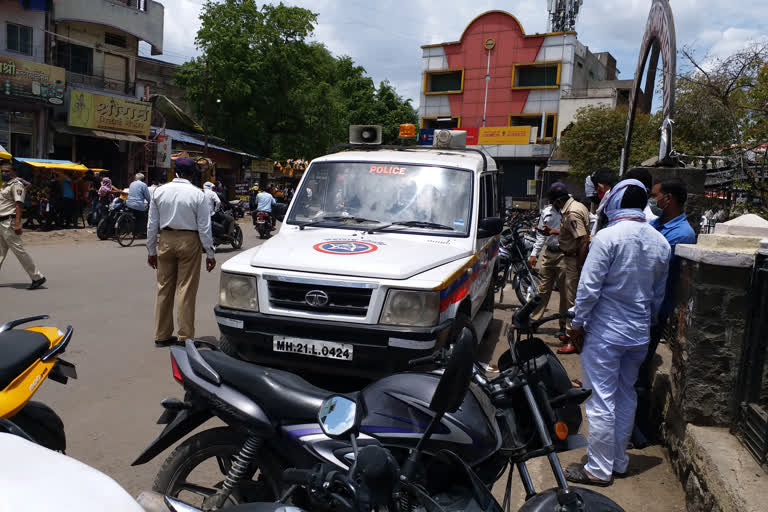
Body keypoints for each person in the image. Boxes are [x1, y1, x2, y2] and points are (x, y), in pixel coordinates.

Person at [564, 180, 670, 487]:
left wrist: (577, 324)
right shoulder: (660, 242)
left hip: (606, 332)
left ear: (617, 202)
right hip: (638, 333)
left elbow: (588, 287)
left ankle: (597, 469)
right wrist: (646, 323)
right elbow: (658, 297)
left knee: (600, 400)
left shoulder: (607, 238)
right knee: (625, 396)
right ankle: (618, 462)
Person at [633, 178, 696, 446]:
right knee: (632, 371)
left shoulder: (682, 233)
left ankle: (639, 433)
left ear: (668, 199)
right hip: (640, 308)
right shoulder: (658, 226)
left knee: (638, 374)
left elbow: (665, 278)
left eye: (655, 196)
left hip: (655, 312)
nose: (653, 200)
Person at [146, 158, 216, 347]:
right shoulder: (198, 194)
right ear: (193, 174)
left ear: (175, 172)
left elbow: (152, 224)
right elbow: (204, 227)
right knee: (186, 289)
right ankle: (185, 336)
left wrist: (151, 250)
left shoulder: (159, 192)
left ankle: (161, 335)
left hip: (166, 239)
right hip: (189, 241)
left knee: (163, 288)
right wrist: (210, 253)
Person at [542, 183, 590, 354]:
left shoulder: (572, 213)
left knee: (571, 301)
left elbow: (583, 239)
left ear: (559, 201)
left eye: (554, 203)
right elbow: (570, 232)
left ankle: (572, 339)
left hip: (573, 259)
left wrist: (580, 264)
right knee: (571, 298)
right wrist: (556, 232)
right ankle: (571, 333)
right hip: (571, 257)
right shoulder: (576, 206)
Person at [0, 161, 46, 289]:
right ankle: (37, 277)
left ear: (13, 172)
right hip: (2, 223)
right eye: (2, 171)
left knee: (19, 251)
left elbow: (19, 204)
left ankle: (37, 277)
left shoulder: (16, 185)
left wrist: (18, 223)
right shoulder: (5, 185)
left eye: (7, 171)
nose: (4, 173)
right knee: (0, 252)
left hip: (9, 223)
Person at [528, 200, 567, 340]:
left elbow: (581, 227)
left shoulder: (570, 209)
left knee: (565, 292)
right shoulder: (546, 212)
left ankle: (564, 326)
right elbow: (540, 235)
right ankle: (534, 320)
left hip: (565, 255)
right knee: (543, 290)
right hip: (549, 253)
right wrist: (534, 253)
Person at [590, 168, 619, 235]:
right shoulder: (615, 196)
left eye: (596, 187)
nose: (596, 191)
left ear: (600, 186)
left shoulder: (610, 202)